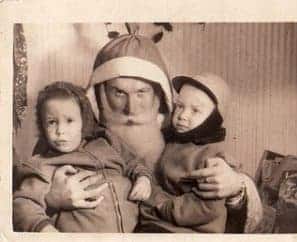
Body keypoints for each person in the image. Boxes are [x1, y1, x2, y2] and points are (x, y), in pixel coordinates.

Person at [28, 33, 263, 233]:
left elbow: (242, 219)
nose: (131, 107)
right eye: (118, 93)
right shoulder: (68, 136)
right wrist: (52, 199)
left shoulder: (183, 135)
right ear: (99, 92)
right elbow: (22, 202)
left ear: (159, 93)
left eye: (141, 92)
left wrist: (236, 188)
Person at [13, 81, 152, 232]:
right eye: (52, 122)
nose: (60, 131)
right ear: (42, 126)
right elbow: (22, 205)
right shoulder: (42, 164)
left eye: (69, 121)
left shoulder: (106, 142)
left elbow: (133, 162)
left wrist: (143, 178)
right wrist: (45, 229)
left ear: (83, 122)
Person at [138, 73, 231, 233]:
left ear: (214, 119)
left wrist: (161, 205)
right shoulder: (172, 139)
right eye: (180, 106)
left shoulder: (213, 157)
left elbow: (206, 207)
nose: (182, 116)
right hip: (160, 218)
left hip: (191, 229)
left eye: (195, 110)